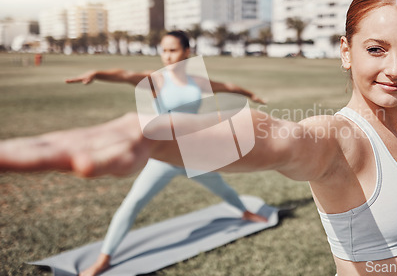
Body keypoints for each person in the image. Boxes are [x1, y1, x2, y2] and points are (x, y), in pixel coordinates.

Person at [0, 0, 397, 276]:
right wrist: (153, 135)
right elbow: (272, 136)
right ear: (346, 51)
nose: (395, 68)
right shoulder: (340, 141)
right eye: (376, 49)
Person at [66, 30, 267, 276]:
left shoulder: (197, 82)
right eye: (164, 50)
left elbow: (227, 86)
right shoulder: (157, 80)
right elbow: (126, 75)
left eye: (173, 50)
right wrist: (97, 74)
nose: (167, 56)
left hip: (194, 155)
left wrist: (250, 94)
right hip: (165, 158)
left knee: (221, 187)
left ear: (186, 52)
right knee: (133, 203)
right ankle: (103, 259)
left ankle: (246, 212)